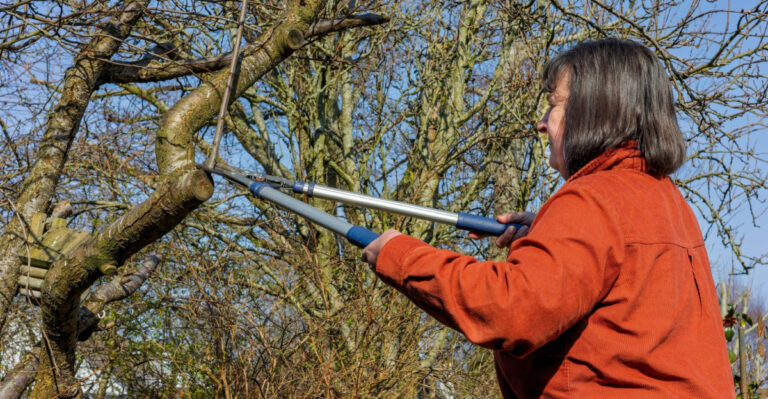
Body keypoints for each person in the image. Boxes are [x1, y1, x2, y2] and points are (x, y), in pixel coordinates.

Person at [361, 39, 734, 398]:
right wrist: (544, 233)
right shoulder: (666, 202)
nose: (541, 123)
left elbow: (511, 310)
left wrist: (400, 256)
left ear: (594, 109)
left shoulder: (593, 199)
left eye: (553, 105)